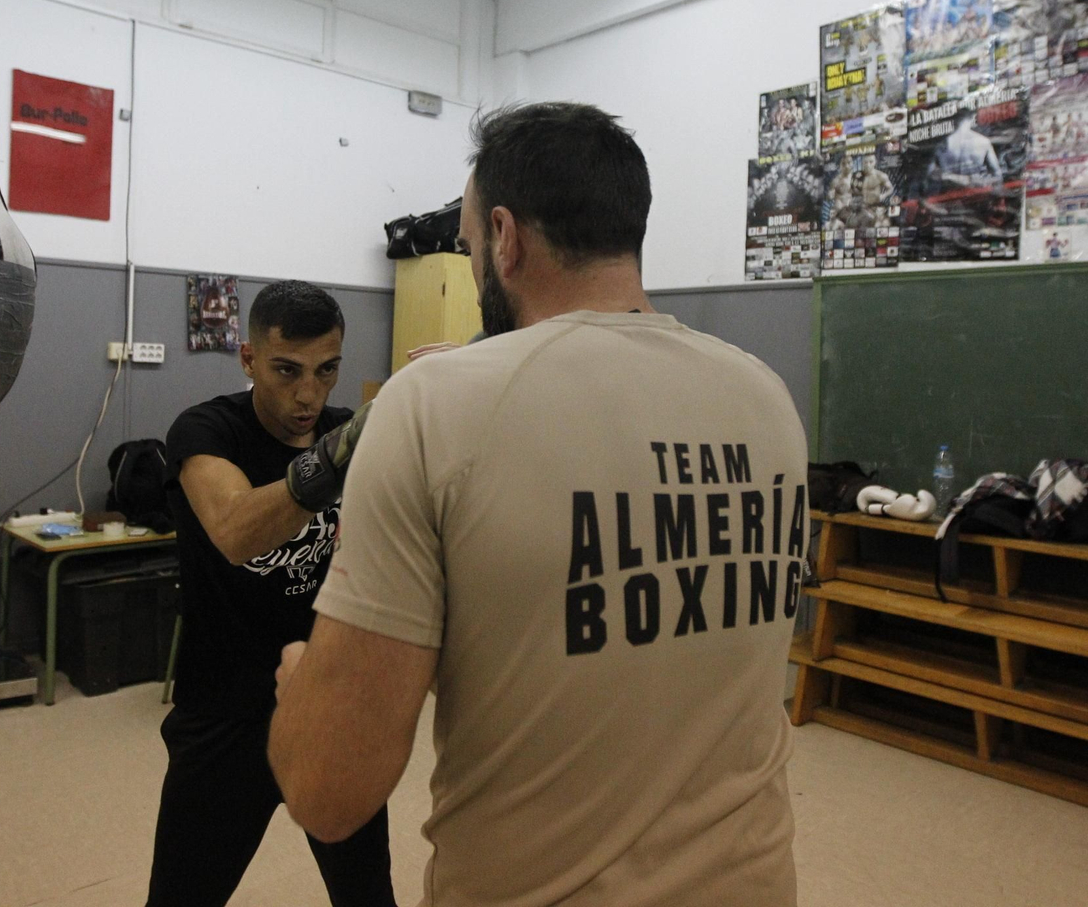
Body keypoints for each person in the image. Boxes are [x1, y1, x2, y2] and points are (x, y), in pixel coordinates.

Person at [268, 102, 807, 906]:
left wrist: (301, 682)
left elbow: (327, 790)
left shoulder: (433, 407)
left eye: (468, 243)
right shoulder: (766, 399)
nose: (473, 259)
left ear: (506, 237)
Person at [145, 281, 394, 907]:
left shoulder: (346, 433)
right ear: (249, 359)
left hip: (328, 706)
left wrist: (450, 387)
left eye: (327, 370)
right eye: (287, 370)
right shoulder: (207, 431)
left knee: (368, 899)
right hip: (225, 717)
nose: (309, 393)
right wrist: (340, 455)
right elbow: (235, 531)